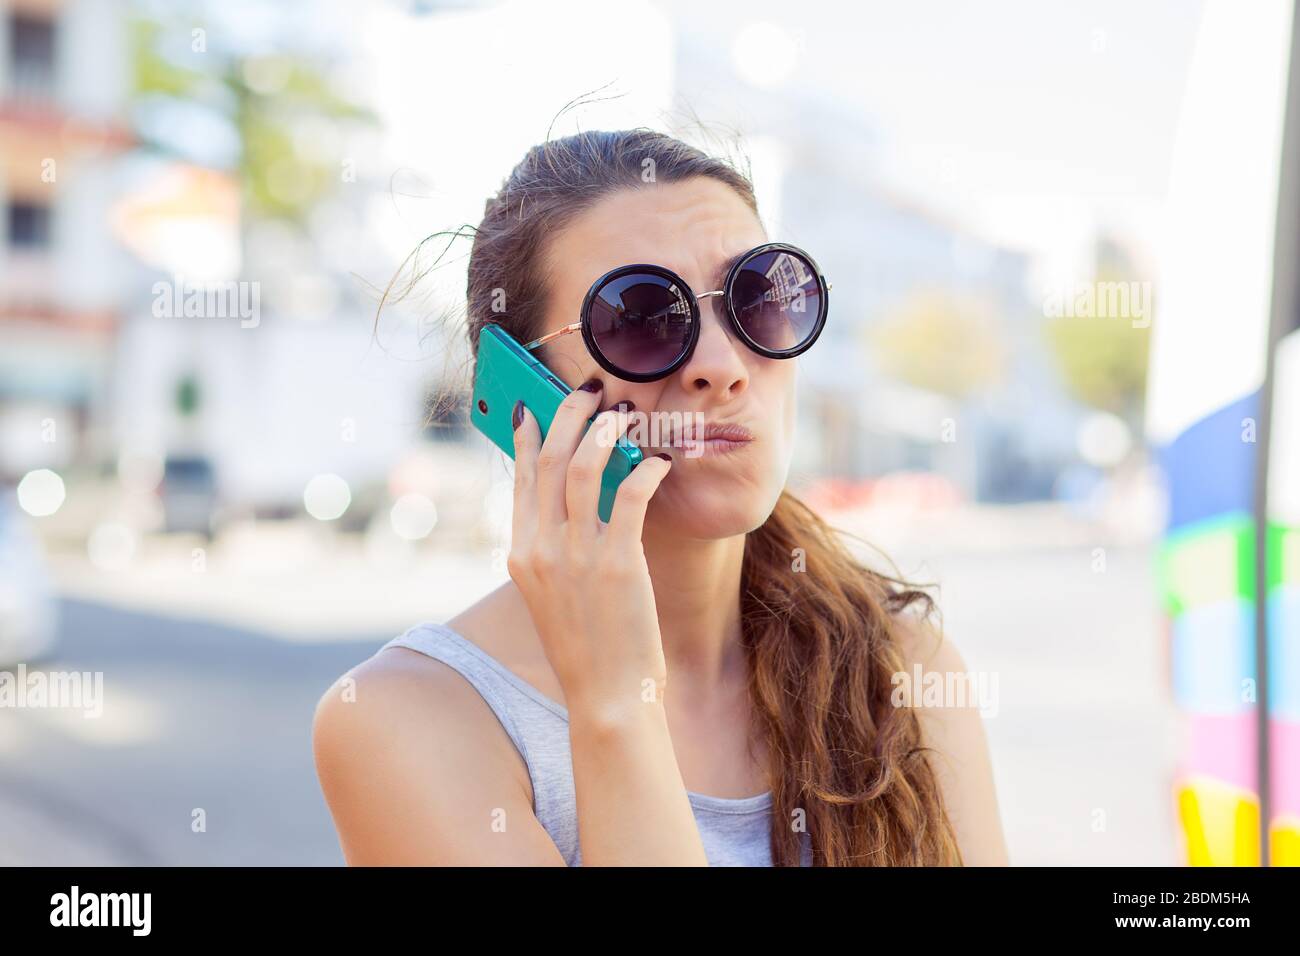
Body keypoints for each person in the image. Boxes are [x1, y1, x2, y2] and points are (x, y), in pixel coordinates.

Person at [313, 128, 1008, 866]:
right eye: (641, 320)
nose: (722, 365)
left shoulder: (901, 669)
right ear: (526, 392)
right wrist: (616, 703)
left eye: (759, 299)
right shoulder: (408, 718)